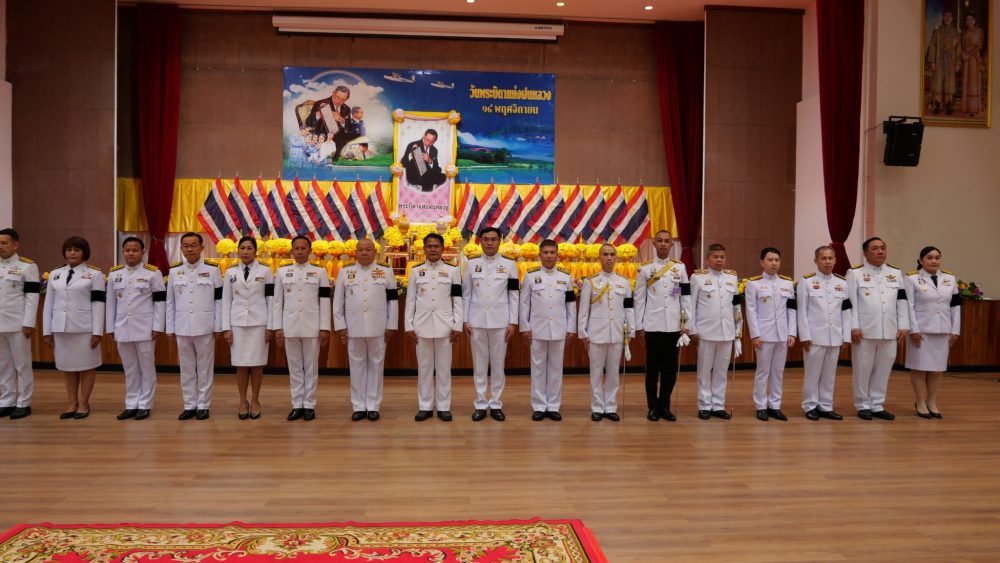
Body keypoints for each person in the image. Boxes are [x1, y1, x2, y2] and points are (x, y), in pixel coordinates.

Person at [333, 239, 398, 421]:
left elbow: (392, 301)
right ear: (355, 252)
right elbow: (338, 302)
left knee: (377, 366)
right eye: (360, 250)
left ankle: (373, 405)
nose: (364, 253)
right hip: (353, 327)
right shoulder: (345, 272)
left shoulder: (386, 271)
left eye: (368, 249)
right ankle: (359, 405)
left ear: (375, 252)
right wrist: (340, 326)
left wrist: (391, 325)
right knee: (356, 366)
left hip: (379, 327)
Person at [43, 236, 105, 419]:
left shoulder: (94, 275)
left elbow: (98, 304)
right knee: (68, 367)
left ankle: (84, 403)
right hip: (61, 329)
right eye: (69, 249)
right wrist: (47, 331)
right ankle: (72, 403)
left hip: (84, 329)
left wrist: (97, 332)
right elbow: (48, 304)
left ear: (84, 253)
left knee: (87, 367)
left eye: (77, 250)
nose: (72, 253)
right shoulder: (55, 274)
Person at [847, 237, 909, 420]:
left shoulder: (895, 273)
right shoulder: (855, 273)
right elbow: (851, 303)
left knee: (884, 369)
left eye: (883, 247)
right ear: (866, 253)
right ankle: (862, 404)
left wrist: (903, 325)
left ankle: (877, 404)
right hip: (864, 331)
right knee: (862, 369)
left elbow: (902, 301)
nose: (880, 251)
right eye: (875, 248)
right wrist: (854, 326)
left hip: (889, 330)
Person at [463, 227, 519, 422]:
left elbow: (513, 295)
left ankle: (495, 403)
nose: (489, 243)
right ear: (480, 241)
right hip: (476, 321)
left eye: (493, 239)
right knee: (479, 365)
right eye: (486, 239)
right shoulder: (471, 264)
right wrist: (465, 320)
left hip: (500, 322)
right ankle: (480, 403)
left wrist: (512, 322)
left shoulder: (510, 264)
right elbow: (466, 294)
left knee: (498, 365)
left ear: (499, 241)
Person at [105, 237, 165, 421]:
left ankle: (145, 404)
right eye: (127, 250)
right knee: (130, 368)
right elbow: (111, 303)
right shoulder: (115, 274)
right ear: (123, 252)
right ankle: (131, 404)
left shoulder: (153, 273)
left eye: (135, 250)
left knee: (146, 368)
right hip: (122, 327)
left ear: (142, 252)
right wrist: (110, 327)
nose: (131, 253)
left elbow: (160, 302)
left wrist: (158, 325)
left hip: (145, 328)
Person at [405, 233, 462, 422]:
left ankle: (444, 406)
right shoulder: (415, 271)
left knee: (444, 369)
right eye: (429, 246)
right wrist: (408, 325)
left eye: (436, 246)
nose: (433, 249)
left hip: (446, 326)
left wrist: (458, 324)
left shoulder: (453, 271)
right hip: (421, 326)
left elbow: (457, 299)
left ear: (442, 248)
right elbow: (410, 300)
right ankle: (425, 406)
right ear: (424, 249)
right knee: (424, 369)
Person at [634, 230, 690, 422]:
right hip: (652, 325)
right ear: (654, 244)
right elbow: (639, 299)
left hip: (674, 326)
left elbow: (685, 296)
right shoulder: (645, 269)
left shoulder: (679, 268)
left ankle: (665, 406)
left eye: (667, 241)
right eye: (660, 241)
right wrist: (639, 325)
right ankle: (652, 407)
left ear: (671, 244)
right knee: (652, 370)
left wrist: (685, 322)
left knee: (670, 370)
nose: (663, 244)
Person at [273, 235, 331, 422]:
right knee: (295, 367)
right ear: (292, 251)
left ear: (310, 250)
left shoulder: (319, 272)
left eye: (303, 248)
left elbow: (324, 301)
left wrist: (324, 328)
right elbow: (277, 302)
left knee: (311, 368)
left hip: (312, 326)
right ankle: (297, 404)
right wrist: (278, 327)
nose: (299, 252)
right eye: (296, 248)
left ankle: (309, 405)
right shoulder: (282, 272)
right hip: (290, 326)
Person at [166, 232, 222, 421]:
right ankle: (189, 405)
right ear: (181, 248)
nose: (190, 249)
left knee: (205, 368)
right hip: (182, 326)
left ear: (201, 247)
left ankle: (203, 405)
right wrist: (170, 327)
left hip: (205, 326)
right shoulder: (174, 271)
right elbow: (170, 302)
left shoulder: (212, 270)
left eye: (193, 245)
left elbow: (219, 300)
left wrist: (218, 326)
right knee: (187, 368)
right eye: (186, 246)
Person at [519, 239, 576, 421]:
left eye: (552, 252)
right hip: (537, 329)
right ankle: (538, 405)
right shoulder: (530, 275)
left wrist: (571, 327)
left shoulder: (566, 277)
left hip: (559, 329)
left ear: (557, 254)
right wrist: (525, 327)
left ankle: (553, 406)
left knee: (555, 369)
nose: (549, 256)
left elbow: (571, 304)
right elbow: (524, 303)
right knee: (537, 368)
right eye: (546, 252)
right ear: (540, 255)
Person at [578, 244, 635, 422]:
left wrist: (630, 330)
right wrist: (582, 332)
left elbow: (629, 308)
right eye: (605, 254)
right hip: (596, 334)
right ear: (599, 258)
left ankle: (610, 406)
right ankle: (597, 407)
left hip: (616, 333)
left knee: (613, 373)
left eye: (611, 254)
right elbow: (584, 310)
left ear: (616, 257)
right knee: (596, 372)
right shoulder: (590, 282)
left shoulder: (624, 282)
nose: (609, 258)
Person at [904, 246, 961, 419]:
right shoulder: (912, 278)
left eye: (937, 257)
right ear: (921, 260)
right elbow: (909, 306)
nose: (934, 261)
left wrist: (955, 330)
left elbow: (955, 306)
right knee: (919, 369)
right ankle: (920, 402)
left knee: (937, 370)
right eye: (929, 257)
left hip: (943, 331)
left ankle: (931, 402)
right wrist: (913, 329)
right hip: (921, 331)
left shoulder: (950, 278)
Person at [222, 236, 274, 420]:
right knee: (241, 365)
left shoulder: (266, 271)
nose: (245, 252)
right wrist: (226, 328)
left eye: (249, 248)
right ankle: (243, 401)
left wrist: (270, 326)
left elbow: (271, 299)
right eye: (242, 248)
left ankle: (256, 400)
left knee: (257, 364)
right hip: (237, 324)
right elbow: (226, 301)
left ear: (255, 251)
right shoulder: (230, 272)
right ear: (238, 250)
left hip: (259, 323)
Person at [797, 246, 851, 421]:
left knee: (829, 375)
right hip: (814, 337)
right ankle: (810, 405)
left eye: (830, 258)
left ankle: (826, 405)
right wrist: (805, 336)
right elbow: (802, 312)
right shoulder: (806, 282)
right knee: (812, 374)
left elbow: (846, 312)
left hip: (835, 336)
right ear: (816, 261)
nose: (827, 262)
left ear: (835, 260)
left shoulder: (842, 283)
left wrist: (846, 336)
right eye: (823, 258)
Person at [689, 243, 742, 420]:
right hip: (706, 332)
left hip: (727, 331)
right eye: (715, 257)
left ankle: (718, 405)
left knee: (721, 371)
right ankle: (704, 405)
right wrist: (692, 329)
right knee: (704, 371)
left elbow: (736, 305)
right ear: (707, 259)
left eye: (722, 257)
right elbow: (691, 305)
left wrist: (738, 330)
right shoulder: (697, 278)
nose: (719, 260)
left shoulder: (732, 278)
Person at [744, 247, 797, 422]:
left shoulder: (787, 283)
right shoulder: (754, 284)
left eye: (777, 260)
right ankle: (761, 406)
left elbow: (791, 310)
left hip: (782, 334)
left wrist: (792, 332)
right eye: (770, 260)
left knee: (778, 372)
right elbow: (751, 311)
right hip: (764, 335)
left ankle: (775, 405)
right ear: (762, 262)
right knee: (763, 371)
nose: (774, 263)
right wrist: (755, 335)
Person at [0, 228, 40, 420]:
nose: (0, 246)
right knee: (3, 365)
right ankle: (6, 401)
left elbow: (32, 297)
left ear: (15, 245)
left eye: (4, 243)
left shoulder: (27, 266)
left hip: (18, 324)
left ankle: (24, 402)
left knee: (22, 365)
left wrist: (29, 323)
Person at [925, 10, 961, 115]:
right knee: (938, 82)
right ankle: (938, 105)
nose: (947, 18)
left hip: (951, 61)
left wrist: (958, 63)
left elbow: (958, 49)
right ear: (943, 18)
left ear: (952, 18)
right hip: (939, 61)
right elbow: (932, 46)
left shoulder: (956, 32)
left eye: (949, 16)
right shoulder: (937, 31)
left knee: (949, 82)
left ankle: (948, 105)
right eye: (945, 16)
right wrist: (932, 61)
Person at [960, 12, 984, 117]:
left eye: (971, 19)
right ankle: (966, 108)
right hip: (966, 60)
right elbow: (962, 46)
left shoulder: (979, 31)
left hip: (974, 59)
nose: (969, 21)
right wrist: (963, 55)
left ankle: (973, 109)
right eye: (967, 20)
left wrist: (968, 55)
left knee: (973, 82)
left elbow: (979, 46)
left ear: (974, 20)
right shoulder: (964, 33)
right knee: (966, 81)